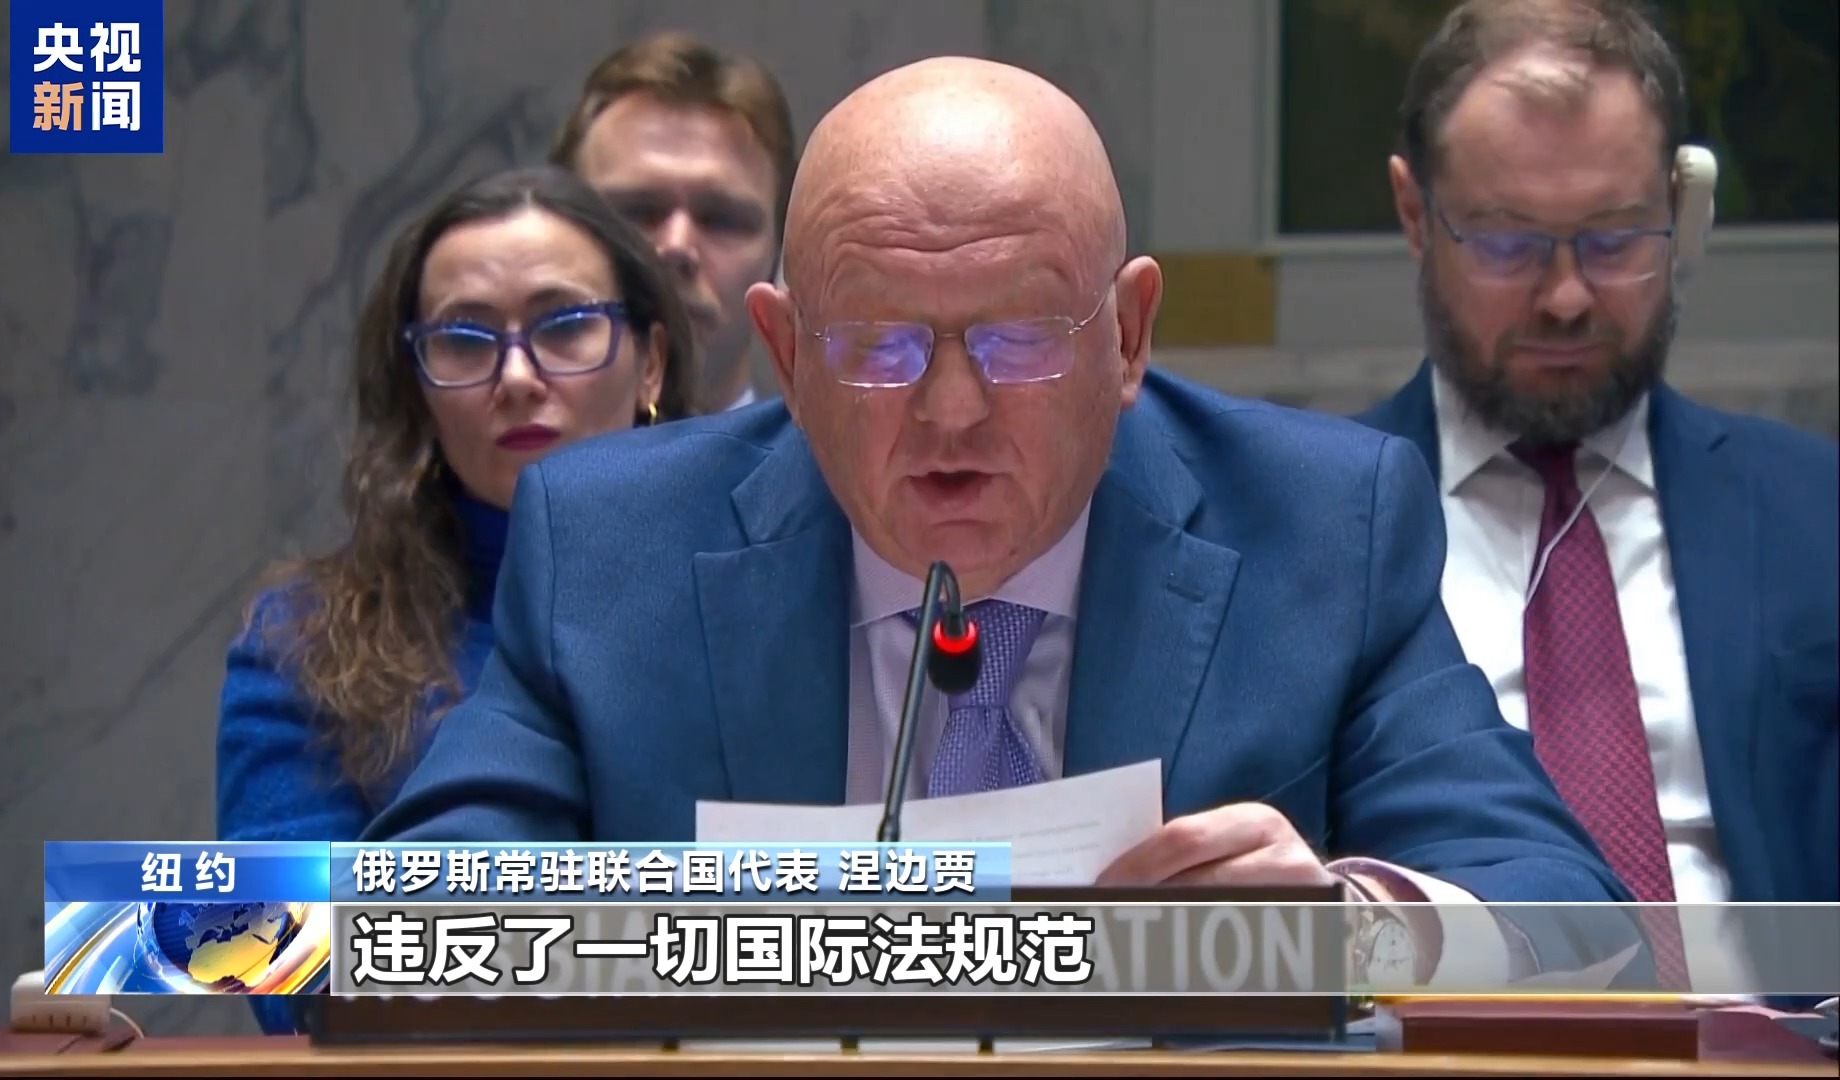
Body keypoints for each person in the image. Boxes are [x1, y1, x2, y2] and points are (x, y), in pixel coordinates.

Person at [364, 56, 1650, 988]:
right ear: (786, 353)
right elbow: (396, 927)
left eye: (1022, 340)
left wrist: (1346, 924)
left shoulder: (1318, 525)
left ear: (1129, 336)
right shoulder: (613, 544)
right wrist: (681, 930)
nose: (951, 413)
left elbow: (1576, 917)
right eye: (876, 347)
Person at [1353, 0, 1838, 994]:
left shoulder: (1813, 511)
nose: (1567, 296)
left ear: (1680, 212)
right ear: (1414, 215)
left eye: (1616, 240)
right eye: (1506, 244)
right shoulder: (1310, 529)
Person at [216, 164, 697, 1030]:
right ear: (417, 386)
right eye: (465, 340)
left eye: (565, 326)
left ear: (650, 361)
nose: (516, 376)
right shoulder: (304, 639)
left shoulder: (754, 597)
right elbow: (276, 963)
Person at [550, 31, 796, 414]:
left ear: (779, 253)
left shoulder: (832, 457)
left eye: (722, 219)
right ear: (555, 232)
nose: (677, 246)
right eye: (636, 212)